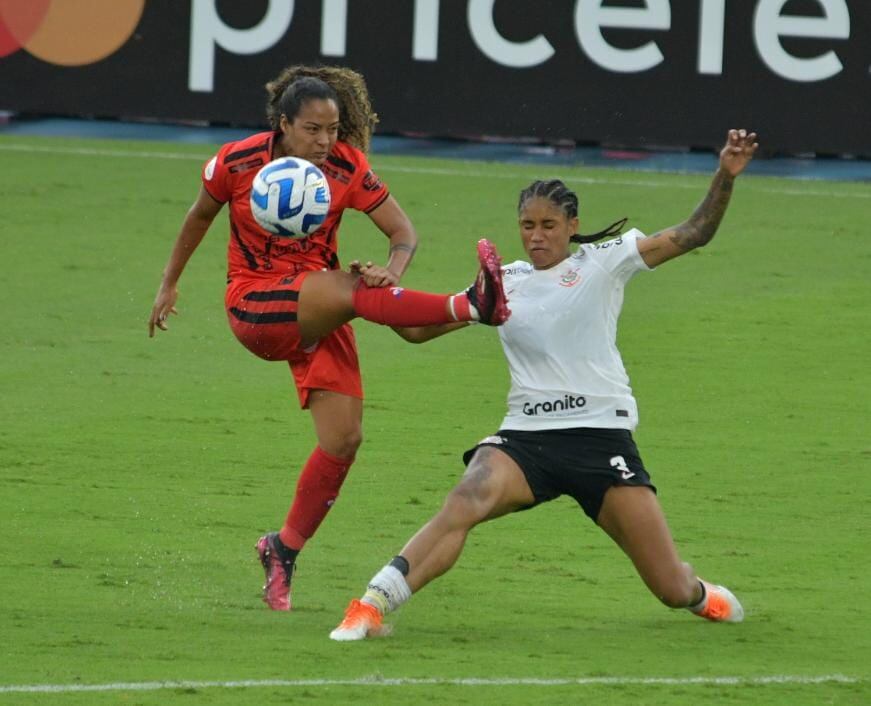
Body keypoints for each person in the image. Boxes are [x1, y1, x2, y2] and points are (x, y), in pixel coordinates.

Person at [329, 128, 759, 640]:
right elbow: (417, 330)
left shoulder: (605, 261)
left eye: (549, 225)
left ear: (572, 226)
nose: (536, 236)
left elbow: (694, 233)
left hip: (600, 438)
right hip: (526, 438)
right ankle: (371, 605)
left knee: (670, 588)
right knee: (465, 499)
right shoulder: (504, 281)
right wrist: (377, 291)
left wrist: (725, 176)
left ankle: (702, 595)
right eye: (527, 225)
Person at [148, 65, 510, 612]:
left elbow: (403, 232)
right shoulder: (237, 161)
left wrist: (392, 271)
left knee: (344, 438)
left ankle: (282, 549)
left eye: (333, 129)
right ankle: (471, 302)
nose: (324, 141)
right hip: (256, 305)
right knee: (351, 289)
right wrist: (169, 283)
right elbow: (199, 215)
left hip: (318, 307)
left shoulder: (346, 166)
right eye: (312, 130)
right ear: (283, 124)